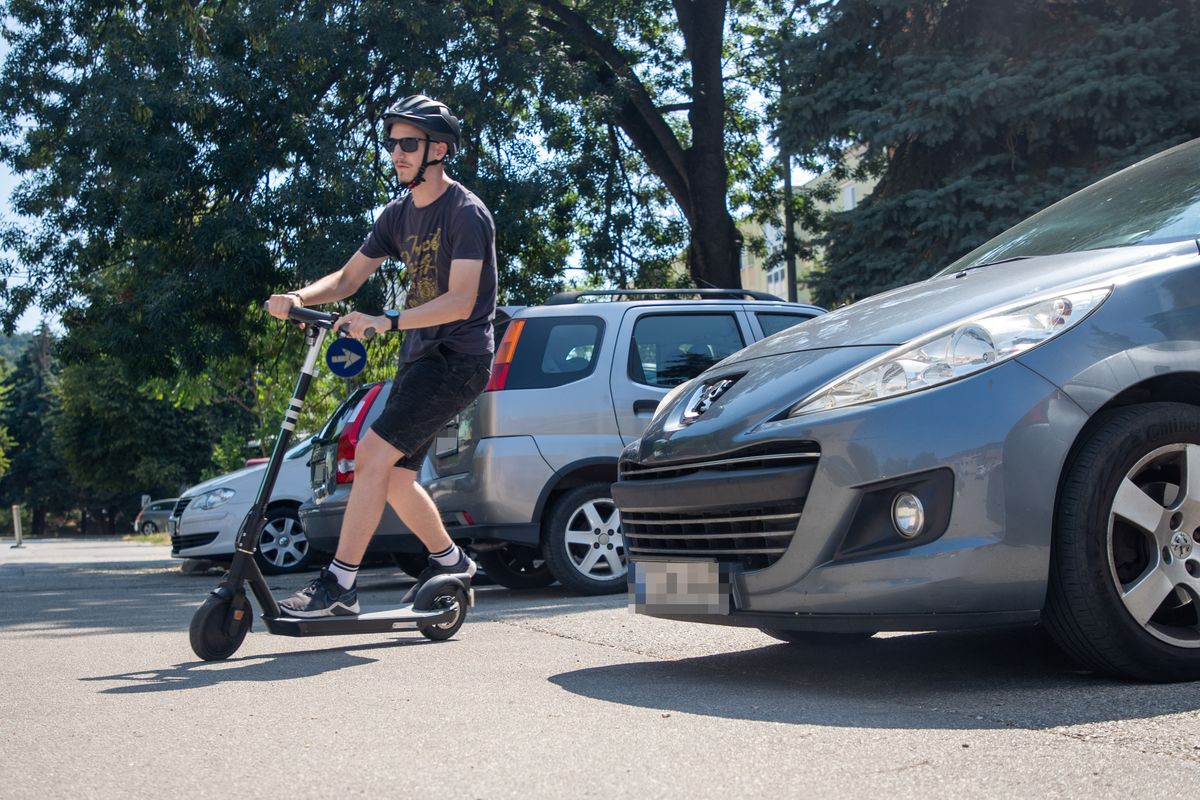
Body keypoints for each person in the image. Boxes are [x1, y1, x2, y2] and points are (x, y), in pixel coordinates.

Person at [265, 95, 497, 617]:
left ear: (439, 149)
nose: (397, 152)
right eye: (392, 142)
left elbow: (461, 300)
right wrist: (300, 297)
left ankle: (339, 586)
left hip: (457, 358)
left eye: (408, 143)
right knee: (393, 477)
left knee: (370, 456)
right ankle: (452, 561)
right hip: (419, 359)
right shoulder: (398, 214)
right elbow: (349, 278)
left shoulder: (465, 213)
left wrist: (386, 321)